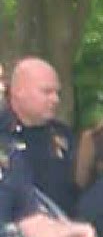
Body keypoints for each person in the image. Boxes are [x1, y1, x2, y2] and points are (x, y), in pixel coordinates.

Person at [3, 57, 80, 212]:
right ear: (19, 91)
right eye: (46, 92)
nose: (55, 99)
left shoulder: (62, 136)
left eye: (57, 93)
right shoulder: (3, 132)